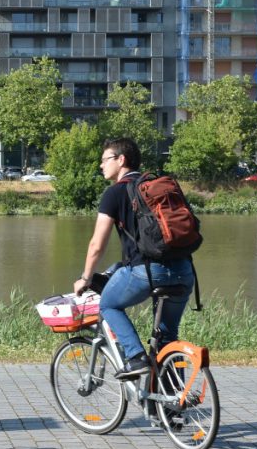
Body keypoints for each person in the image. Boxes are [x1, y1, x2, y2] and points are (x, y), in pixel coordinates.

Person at [73, 138, 195, 379]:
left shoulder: (115, 192)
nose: (101, 165)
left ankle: (136, 357)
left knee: (108, 304)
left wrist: (86, 277)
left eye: (105, 159)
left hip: (148, 272)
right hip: (184, 270)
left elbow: (97, 244)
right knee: (167, 337)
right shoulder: (160, 186)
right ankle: (170, 409)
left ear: (121, 160)